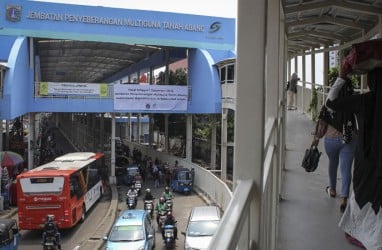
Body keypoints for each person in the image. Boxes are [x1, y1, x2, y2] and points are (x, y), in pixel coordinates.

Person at [325, 57, 382, 249]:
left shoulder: (363, 101)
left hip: (365, 159)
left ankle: (365, 235)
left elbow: (331, 102)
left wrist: (341, 77)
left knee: (362, 196)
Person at [320, 80, 357, 213]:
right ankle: (344, 198)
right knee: (346, 169)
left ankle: (332, 189)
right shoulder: (353, 102)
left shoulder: (329, 103)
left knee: (333, 164)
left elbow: (321, 121)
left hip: (330, 140)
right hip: (348, 140)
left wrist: (315, 139)